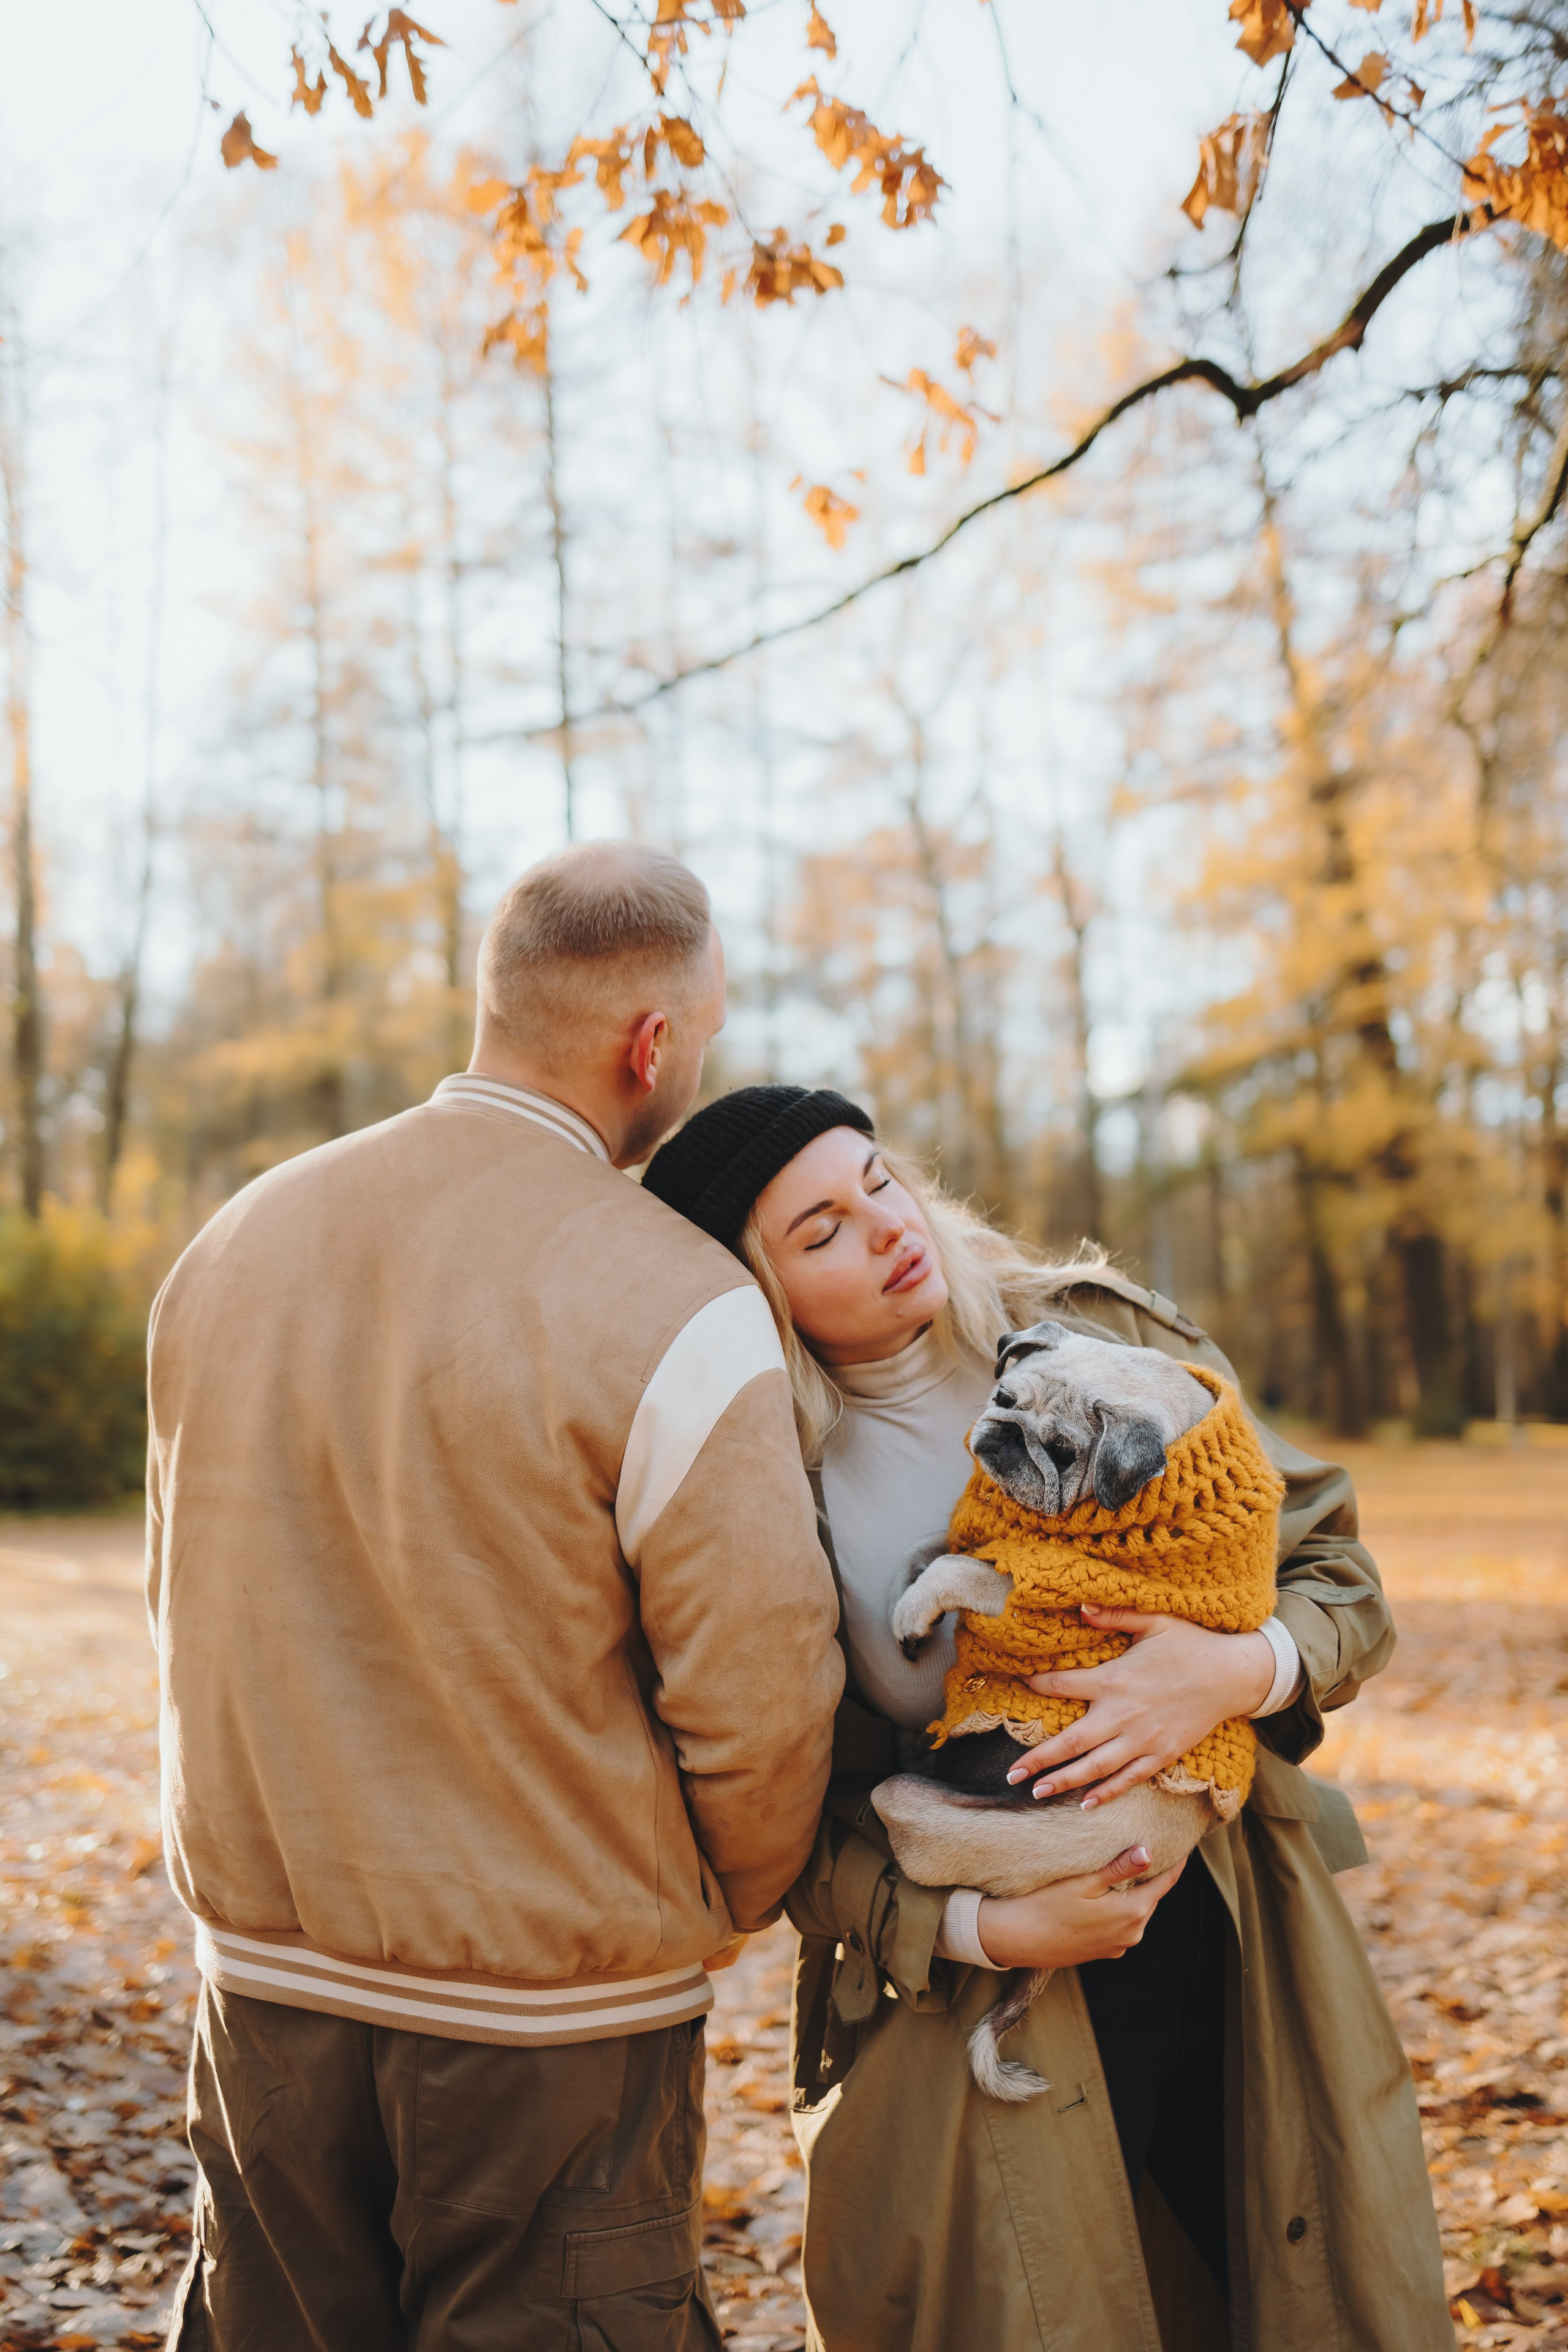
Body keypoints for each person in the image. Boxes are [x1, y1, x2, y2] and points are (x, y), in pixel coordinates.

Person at [146, 849, 844, 2351]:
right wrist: (717, 1901)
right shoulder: (672, 1293)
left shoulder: (236, 1241)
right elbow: (761, 1682)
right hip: (549, 2016)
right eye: (702, 1034)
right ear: (650, 1044)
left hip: (263, 1992)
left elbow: (177, 1597)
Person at [642, 1087, 1452, 2352]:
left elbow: (1336, 1576)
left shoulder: (1090, 1333)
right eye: (819, 1232)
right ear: (758, 1290)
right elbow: (764, 1825)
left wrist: (1232, 1672)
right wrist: (978, 1921)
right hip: (968, 1996)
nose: (883, 1226)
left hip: (1231, 1919)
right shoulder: (754, 1478)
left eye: (877, 1182)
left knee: (1287, 2288)